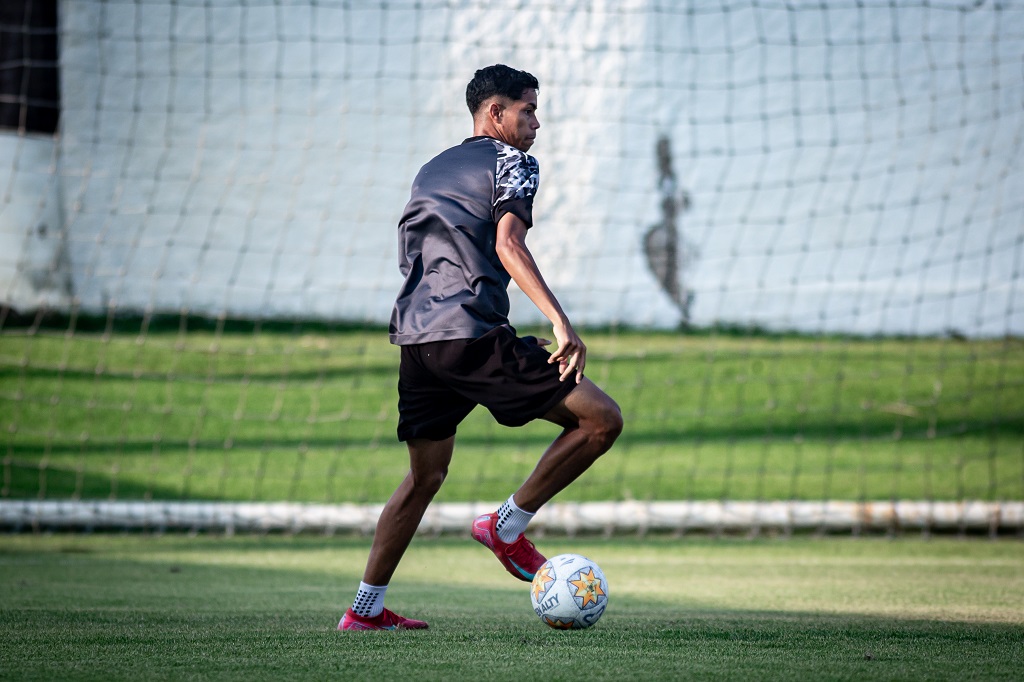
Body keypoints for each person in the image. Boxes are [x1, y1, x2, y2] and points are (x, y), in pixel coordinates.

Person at [338, 64, 623, 631]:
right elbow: (508, 244)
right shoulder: (513, 162)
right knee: (601, 421)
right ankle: (505, 526)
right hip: (468, 335)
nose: (536, 123)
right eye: (528, 110)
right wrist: (560, 322)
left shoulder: (432, 168)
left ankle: (364, 611)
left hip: (419, 342)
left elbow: (419, 254)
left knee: (424, 477)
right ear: (495, 112)